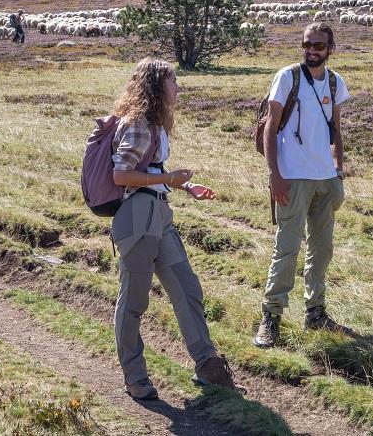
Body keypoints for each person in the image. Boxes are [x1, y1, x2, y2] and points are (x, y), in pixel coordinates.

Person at [111, 57, 236, 399]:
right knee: (134, 300)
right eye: (173, 82)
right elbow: (121, 176)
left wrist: (182, 186)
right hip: (138, 218)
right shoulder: (137, 124)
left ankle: (208, 365)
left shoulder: (154, 125)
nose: (178, 87)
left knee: (187, 287)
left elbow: (149, 171)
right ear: (155, 86)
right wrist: (168, 178)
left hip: (158, 214)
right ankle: (135, 377)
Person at [254, 22, 350, 349]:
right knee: (287, 248)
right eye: (307, 44)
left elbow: (336, 129)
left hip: (325, 179)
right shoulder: (287, 77)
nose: (311, 50)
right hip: (292, 178)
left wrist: (338, 168)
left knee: (322, 250)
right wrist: (274, 173)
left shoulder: (336, 83)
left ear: (330, 48)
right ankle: (271, 317)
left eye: (318, 46)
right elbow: (269, 127)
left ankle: (316, 311)